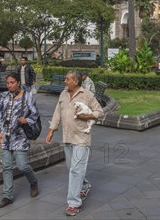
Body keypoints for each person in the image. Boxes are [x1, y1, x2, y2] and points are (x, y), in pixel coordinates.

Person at [46, 70, 104, 217]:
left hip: (82, 138)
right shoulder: (63, 94)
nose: (65, 81)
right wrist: (52, 129)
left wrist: (88, 116)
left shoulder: (87, 95)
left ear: (75, 82)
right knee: (71, 167)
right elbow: (57, 112)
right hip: (67, 137)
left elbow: (99, 112)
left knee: (76, 170)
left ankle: (74, 203)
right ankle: (84, 185)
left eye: (67, 79)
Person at [0, 72, 40, 208]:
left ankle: (33, 182)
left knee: (22, 166)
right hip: (6, 136)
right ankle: (7, 196)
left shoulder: (28, 97)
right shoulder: (4, 96)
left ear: (18, 82)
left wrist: (27, 120)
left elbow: (35, 114)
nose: (9, 85)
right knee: (6, 167)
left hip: (20, 137)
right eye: (7, 83)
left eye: (12, 82)